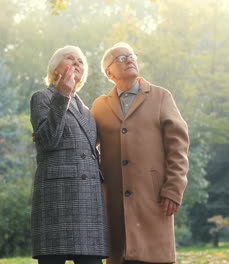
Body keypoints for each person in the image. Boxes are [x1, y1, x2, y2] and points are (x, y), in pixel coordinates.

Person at [90, 42, 190, 264]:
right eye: (122, 58)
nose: (130, 60)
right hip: (115, 204)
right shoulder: (100, 106)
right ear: (109, 72)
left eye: (132, 55)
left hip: (153, 198)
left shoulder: (161, 97)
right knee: (121, 257)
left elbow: (178, 147)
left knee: (154, 258)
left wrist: (174, 189)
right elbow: (83, 139)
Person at [30, 45, 109, 264]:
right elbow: (48, 141)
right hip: (57, 197)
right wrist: (62, 95)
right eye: (70, 59)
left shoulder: (86, 110)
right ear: (56, 69)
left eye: (81, 61)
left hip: (89, 199)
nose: (76, 63)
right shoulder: (42, 98)